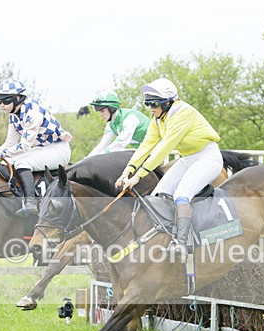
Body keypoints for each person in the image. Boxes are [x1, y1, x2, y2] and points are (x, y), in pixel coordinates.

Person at [116, 78, 223, 260]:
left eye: (154, 103)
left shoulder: (182, 112)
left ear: (167, 102)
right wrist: (127, 172)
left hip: (208, 157)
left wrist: (139, 176)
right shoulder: (158, 119)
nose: (150, 108)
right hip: (188, 158)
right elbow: (146, 146)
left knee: (182, 194)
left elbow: (164, 147)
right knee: (158, 195)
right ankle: (166, 236)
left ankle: (182, 243)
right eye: (147, 103)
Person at [0, 80, 73, 217]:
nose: (1, 105)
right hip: (44, 148)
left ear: (17, 98)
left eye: (5, 101)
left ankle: (31, 203)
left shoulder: (32, 111)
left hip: (59, 150)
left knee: (22, 162)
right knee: (9, 160)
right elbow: (10, 144)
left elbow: (24, 146)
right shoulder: (14, 115)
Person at [86, 91, 150, 157]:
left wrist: (98, 156)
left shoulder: (130, 118)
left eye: (102, 111)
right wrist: (87, 159)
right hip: (143, 150)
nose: (101, 115)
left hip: (156, 148)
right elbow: (103, 144)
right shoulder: (111, 124)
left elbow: (119, 144)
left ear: (111, 108)